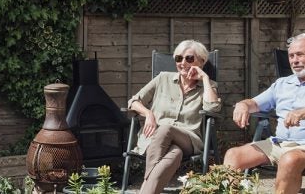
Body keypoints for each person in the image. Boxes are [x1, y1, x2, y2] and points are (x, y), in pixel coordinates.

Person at [127, 40, 221, 194]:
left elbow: (213, 108)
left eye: (189, 59)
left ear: (201, 62)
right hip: (155, 139)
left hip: (188, 139)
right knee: (175, 153)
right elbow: (134, 101)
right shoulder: (162, 78)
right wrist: (148, 113)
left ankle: (144, 187)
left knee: (166, 128)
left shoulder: (209, 86)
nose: (183, 63)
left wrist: (204, 78)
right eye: (178, 58)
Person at [225, 33, 305, 193]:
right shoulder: (282, 84)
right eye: (291, 56)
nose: (295, 60)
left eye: (300, 54)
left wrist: (302, 112)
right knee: (233, 155)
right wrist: (243, 105)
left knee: (289, 160)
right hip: (279, 143)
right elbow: (255, 103)